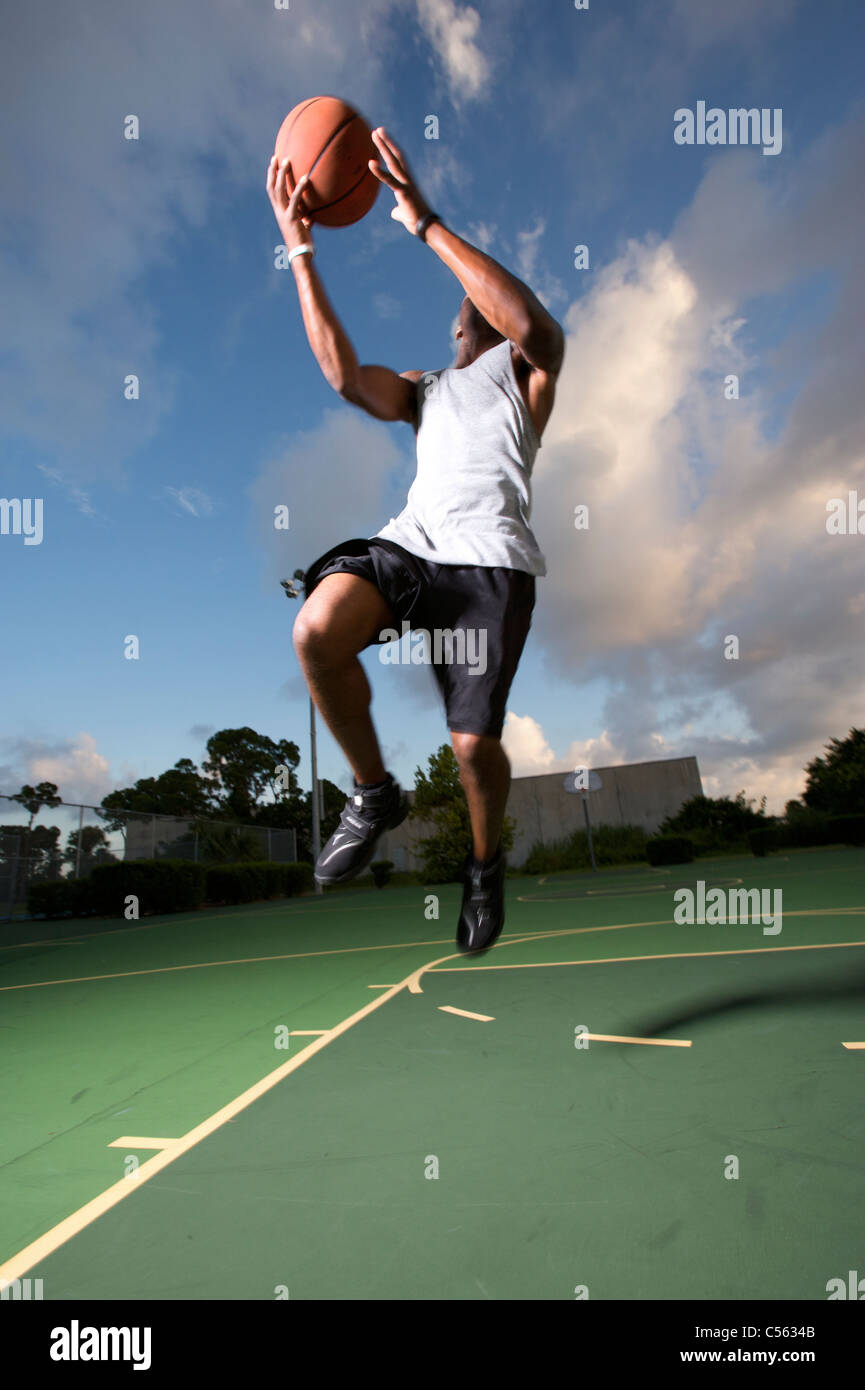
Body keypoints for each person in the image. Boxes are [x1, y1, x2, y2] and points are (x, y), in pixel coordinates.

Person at [265, 127, 564, 952]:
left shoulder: (526, 373)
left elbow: (532, 321)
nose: (465, 311)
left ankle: (481, 864)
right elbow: (339, 374)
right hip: (412, 547)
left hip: (489, 566)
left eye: (480, 305)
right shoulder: (427, 390)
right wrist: (301, 253)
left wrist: (421, 219)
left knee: (471, 748)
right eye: (463, 310)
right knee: (315, 630)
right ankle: (372, 792)